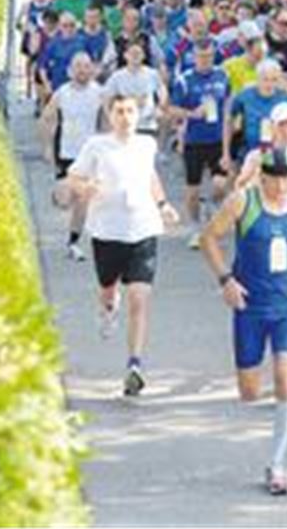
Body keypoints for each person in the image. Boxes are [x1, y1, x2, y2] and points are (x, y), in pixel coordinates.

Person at [200, 147, 287, 496]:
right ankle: (273, 398)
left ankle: (277, 464)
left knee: (286, 376)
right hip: (249, 305)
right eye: (274, 178)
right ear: (262, 176)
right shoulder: (242, 202)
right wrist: (225, 280)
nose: (280, 185)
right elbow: (208, 238)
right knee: (249, 392)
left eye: (286, 178)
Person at [66, 95, 180, 396]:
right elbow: (73, 177)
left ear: (138, 114)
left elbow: (150, 176)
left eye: (130, 111)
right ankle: (107, 308)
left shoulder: (146, 145)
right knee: (108, 290)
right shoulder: (96, 145)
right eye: (119, 111)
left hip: (143, 229)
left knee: (139, 299)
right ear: (110, 114)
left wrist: (164, 204)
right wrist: (85, 187)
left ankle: (134, 365)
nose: (126, 117)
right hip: (107, 231)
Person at [39, 52, 104, 261]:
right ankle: (59, 195)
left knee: (83, 200)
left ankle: (73, 242)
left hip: (91, 154)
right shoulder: (62, 93)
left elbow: (108, 122)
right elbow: (47, 119)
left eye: (86, 66)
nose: (82, 70)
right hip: (67, 152)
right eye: (78, 66)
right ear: (70, 70)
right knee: (67, 200)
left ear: (92, 70)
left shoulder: (99, 92)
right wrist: (48, 147)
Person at [169, 39, 231, 248]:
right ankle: (196, 228)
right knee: (192, 191)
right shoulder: (184, 80)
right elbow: (171, 109)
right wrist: (191, 114)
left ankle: (212, 204)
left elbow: (229, 104)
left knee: (221, 185)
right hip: (194, 141)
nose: (205, 60)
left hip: (217, 139)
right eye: (201, 57)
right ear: (194, 57)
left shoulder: (222, 76)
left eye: (209, 56)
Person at [224, 59, 287, 171]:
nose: (269, 84)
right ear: (257, 79)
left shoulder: (286, 98)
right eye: (265, 79)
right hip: (249, 152)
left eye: (274, 80)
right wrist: (226, 153)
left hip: (276, 154)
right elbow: (229, 118)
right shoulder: (245, 95)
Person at [104, 41, 166, 138]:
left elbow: (162, 91)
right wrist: (111, 118)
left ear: (143, 56)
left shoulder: (152, 74)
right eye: (132, 53)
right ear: (125, 55)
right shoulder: (117, 76)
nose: (135, 56)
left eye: (138, 53)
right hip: (125, 125)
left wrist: (160, 107)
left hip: (147, 125)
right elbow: (106, 98)